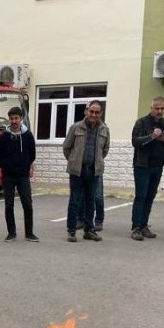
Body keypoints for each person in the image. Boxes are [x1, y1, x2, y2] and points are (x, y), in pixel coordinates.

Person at [63, 100, 110, 242]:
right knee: (75, 201)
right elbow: (67, 147)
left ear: (101, 113)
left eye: (97, 112)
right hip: (78, 171)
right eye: (91, 111)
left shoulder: (104, 130)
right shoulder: (76, 127)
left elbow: (105, 149)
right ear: (86, 111)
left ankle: (89, 230)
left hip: (94, 171)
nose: (94, 114)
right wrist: (74, 161)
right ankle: (71, 230)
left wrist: (97, 162)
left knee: (91, 201)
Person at [129, 96, 164, 240]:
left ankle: (143, 226)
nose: (159, 111)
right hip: (142, 165)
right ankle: (135, 228)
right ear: (151, 108)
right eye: (157, 108)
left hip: (157, 166)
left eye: (162, 109)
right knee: (141, 196)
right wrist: (152, 136)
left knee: (150, 197)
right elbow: (135, 141)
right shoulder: (141, 122)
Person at [0, 107, 38, 242]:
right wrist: (7, 166)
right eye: (12, 118)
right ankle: (11, 233)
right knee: (9, 205)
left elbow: (32, 154)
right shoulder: (3, 137)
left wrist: (25, 166)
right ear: (9, 119)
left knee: (27, 204)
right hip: (8, 176)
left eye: (16, 118)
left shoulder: (28, 136)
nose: (14, 121)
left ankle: (29, 233)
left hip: (23, 176)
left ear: (21, 119)